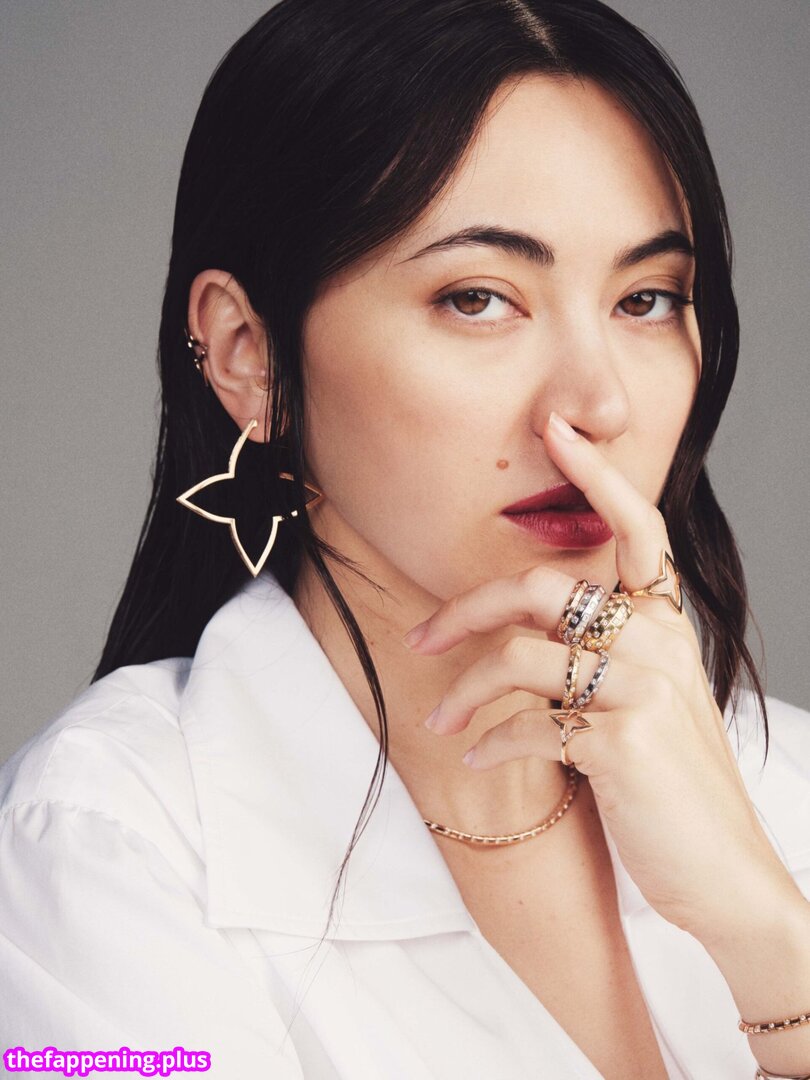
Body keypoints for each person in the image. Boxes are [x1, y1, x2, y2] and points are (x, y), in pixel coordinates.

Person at [0, 0, 808, 1077]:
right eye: (478, 299)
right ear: (249, 354)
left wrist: (768, 938)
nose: (598, 406)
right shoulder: (109, 845)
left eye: (648, 299)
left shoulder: (784, 783)